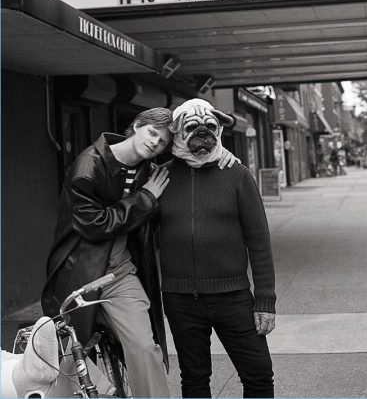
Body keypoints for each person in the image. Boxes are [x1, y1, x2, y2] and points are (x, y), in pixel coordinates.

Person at [41, 107, 237, 398]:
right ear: (136, 126)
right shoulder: (87, 167)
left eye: (162, 142)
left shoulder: (151, 170)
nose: (155, 143)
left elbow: (191, 165)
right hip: (80, 271)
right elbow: (95, 225)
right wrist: (146, 197)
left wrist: (223, 156)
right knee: (72, 357)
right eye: (152, 133)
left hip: (120, 272)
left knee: (145, 348)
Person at [159, 98, 276, 398]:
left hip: (233, 296)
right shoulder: (159, 176)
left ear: (220, 130)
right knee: (195, 380)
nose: (202, 133)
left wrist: (265, 299)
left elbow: (259, 241)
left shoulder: (237, 174)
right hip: (180, 298)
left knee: (259, 374)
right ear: (176, 132)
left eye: (210, 127)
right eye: (191, 128)